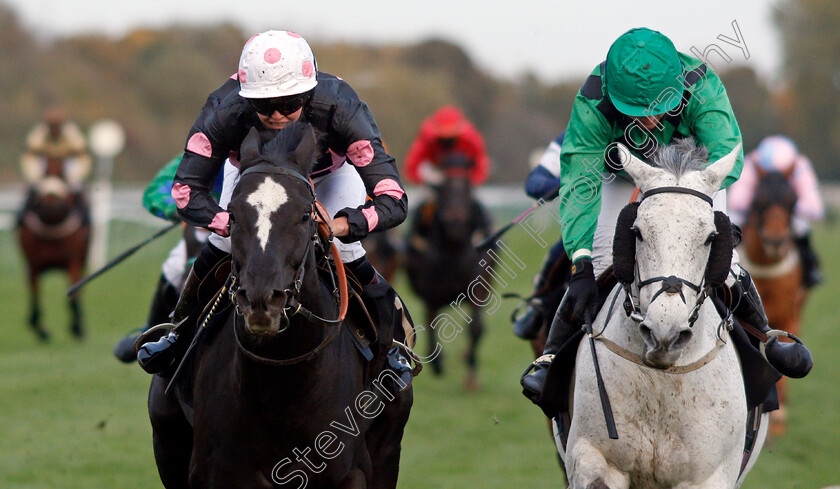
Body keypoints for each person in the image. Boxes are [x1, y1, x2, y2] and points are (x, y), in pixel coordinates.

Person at [520, 27, 812, 401]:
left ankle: (765, 341)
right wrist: (578, 261)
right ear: (613, 94)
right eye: (637, 114)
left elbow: (728, 154)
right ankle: (550, 359)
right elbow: (580, 182)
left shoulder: (700, 84)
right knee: (596, 261)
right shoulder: (594, 99)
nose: (652, 120)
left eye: (659, 109)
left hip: (693, 171)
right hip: (620, 174)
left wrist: (681, 188)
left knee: (723, 257)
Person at [135, 30, 412, 387]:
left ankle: (394, 347)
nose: (278, 114)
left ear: (309, 93)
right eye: (264, 106)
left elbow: (393, 199)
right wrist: (230, 222)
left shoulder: (342, 106)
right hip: (254, 176)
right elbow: (186, 190)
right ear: (245, 98)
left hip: (329, 177)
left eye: (290, 102)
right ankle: (178, 330)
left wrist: (342, 225)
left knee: (346, 248)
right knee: (220, 244)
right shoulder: (224, 109)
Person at [112, 155, 221, 362]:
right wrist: (182, 209)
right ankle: (152, 332)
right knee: (175, 266)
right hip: (208, 233)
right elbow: (156, 192)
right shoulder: (199, 154)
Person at [727, 135, 824, 288]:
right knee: (732, 222)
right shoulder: (752, 163)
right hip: (758, 211)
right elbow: (736, 201)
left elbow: (815, 208)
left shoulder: (800, 166)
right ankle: (723, 265)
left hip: (788, 212)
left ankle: (810, 268)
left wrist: (789, 205)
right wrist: (756, 205)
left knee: (801, 226)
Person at [512, 132, 568, 340]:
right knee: (559, 253)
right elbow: (535, 182)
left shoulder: (667, 127)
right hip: (594, 229)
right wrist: (565, 181)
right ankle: (538, 310)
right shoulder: (577, 133)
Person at [19, 107, 91, 221]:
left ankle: (85, 220)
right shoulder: (39, 134)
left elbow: (81, 154)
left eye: (56, 126)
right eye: (52, 126)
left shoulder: (71, 134)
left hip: (66, 167)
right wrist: (35, 177)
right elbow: (31, 155)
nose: (54, 130)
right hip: (45, 168)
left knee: (78, 191)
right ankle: (21, 219)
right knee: (31, 191)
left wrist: (74, 177)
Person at [404, 105, 489, 187]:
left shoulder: (469, 138)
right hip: (435, 177)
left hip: (463, 180)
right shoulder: (427, 138)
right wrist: (422, 181)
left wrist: (472, 181)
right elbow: (412, 165)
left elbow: (481, 162)